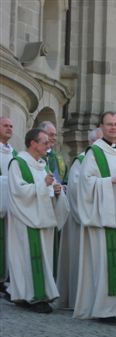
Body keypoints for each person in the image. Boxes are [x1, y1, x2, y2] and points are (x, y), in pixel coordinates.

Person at [73, 112, 116, 322]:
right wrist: (110, 180)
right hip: (103, 216)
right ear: (101, 127)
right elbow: (85, 184)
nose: (113, 128)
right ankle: (103, 309)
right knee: (104, 262)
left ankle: (115, 307)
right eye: (109, 124)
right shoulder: (94, 152)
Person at [7, 128, 69, 313]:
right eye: (45, 143)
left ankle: (33, 295)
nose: (48, 146)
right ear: (33, 143)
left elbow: (46, 189)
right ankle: (33, 296)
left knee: (42, 259)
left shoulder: (43, 165)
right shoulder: (18, 163)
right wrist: (44, 186)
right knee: (28, 258)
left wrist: (56, 192)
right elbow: (18, 191)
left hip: (42, 218)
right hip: (26, 219)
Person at [56, 127, 103, 309]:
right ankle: (78, 299)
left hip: (99, 220)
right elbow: (76, 193)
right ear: (90, 143)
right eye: (99, 141)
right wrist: (88, 214)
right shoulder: (81, 162)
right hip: (82, 221)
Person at [0, 116, 17, 295]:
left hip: (10, 206)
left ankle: (3, 278)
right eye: (5, 125)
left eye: (11, 126)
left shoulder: (15, 154)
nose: (9, 128)